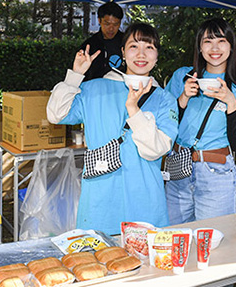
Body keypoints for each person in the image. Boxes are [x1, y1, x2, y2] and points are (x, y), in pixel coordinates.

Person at [47, 22, 178, 235]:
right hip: (100, 204)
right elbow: (56, 115)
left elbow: (155, 150)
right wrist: (74, 76)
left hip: (145, 204)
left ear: (156, 56)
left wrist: (133, 110)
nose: (141, 54)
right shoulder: (94, 88)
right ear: (123, 53)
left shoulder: (165, 100)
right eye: (134, 46)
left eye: (149, 47)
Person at [164, 18, 236, 224]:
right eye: (208, 41)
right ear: (199, 46)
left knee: (214, 241)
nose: (214, 48)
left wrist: (230, 102)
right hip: (179, 169)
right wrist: (182, 99)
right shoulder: (182, 77)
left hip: (216, 173)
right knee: (174, 237)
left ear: (231, 46)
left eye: (221, 41)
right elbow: (164, 125)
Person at [79, 1, 124, 81]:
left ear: (120, 22)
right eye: (107, 24)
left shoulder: (127, 42)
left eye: (115, 24)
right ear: (99, 21)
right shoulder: (89, 45)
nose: (111, 29)